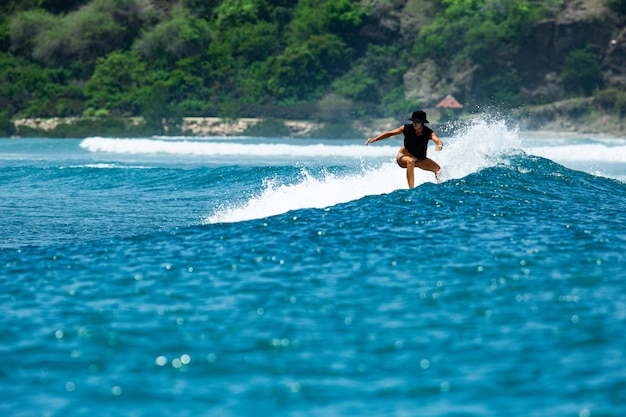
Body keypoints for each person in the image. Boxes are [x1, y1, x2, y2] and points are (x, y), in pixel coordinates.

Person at [365, 110, 444, 188]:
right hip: (403, 157)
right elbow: (390, 133)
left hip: (419, 158)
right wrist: (375, 139)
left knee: (438, 169)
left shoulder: (428, 132)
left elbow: (437, 140)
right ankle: (411, 190)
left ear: (422, 122)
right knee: (410, 161)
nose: (414, 123)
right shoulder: (406, 128)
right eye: (413, 121)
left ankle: (440, 188)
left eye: (417, 122)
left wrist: (439, 145)